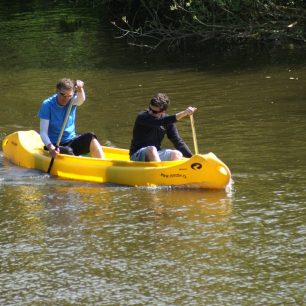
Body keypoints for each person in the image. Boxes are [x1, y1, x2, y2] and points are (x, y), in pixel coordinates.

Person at [38, 78, 104, 159]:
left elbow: (81, 100)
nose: (65, 99)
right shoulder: (47, 105)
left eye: (69, 96)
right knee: (68, 151)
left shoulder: (72, 100)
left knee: (91, 137)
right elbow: (43, 133)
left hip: (71, 140)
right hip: (55, 144)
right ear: (57, 91)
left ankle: (102, 162)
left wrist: (80, 89)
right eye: (63, 94)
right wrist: (51, 148)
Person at [129, 93, 197, 162]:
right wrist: (184, 113)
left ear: (163, 111)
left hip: (157, 153)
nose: (150, 112)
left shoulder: (167, 121)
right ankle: (160, 171)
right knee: (151, 149)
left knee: (177, 154)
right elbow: (159, 122)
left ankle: (174, 172)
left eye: (154, 111)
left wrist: (192, 158)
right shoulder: (142, 117)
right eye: (150, 108)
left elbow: (177, 141)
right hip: (136, 155)